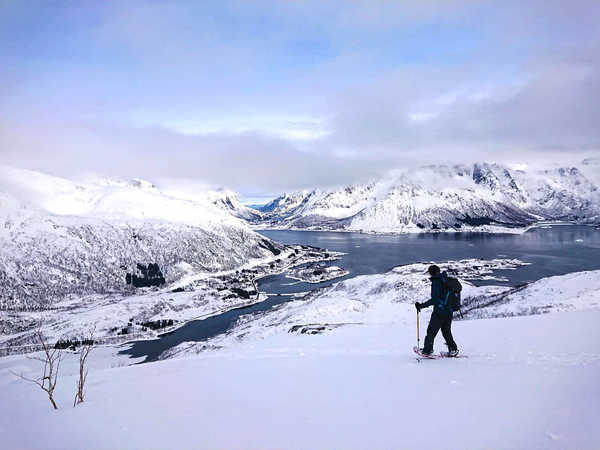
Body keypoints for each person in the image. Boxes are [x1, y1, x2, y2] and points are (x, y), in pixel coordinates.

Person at [415, 264, 459, 356]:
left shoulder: (436, 282)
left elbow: (435, 299)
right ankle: (453, 349)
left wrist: (421, 306)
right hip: (449, 311)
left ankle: (427, 350)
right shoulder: (446, 280)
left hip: (439, 312)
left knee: (431, 331)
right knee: (446, 331)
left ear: (431, 273)